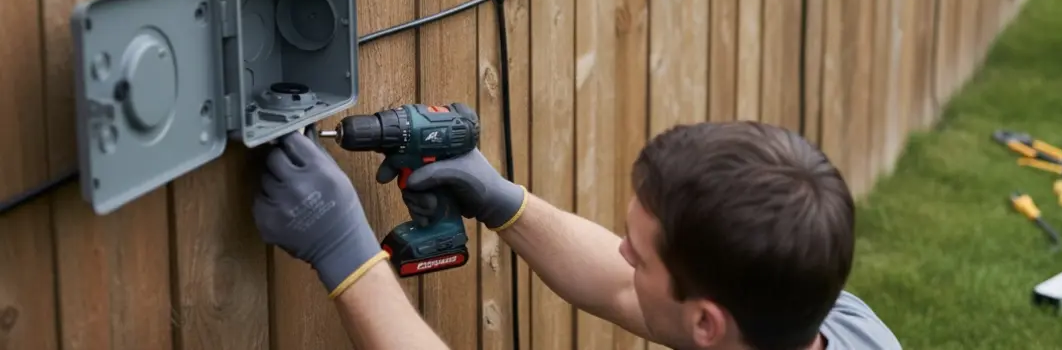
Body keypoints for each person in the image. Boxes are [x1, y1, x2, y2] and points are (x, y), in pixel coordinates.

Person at [253, 116, 901, 350]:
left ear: (707, 324)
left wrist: (345, 251)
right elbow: (623, 286)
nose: (622, 254)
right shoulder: (841, 324)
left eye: (639, 254)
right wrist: (506, 202)